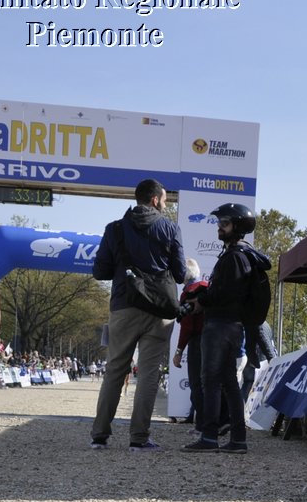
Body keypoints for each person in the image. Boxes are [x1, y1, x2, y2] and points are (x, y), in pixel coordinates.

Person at [89, 177, 186, 450]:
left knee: (114, 370)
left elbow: (99, 271)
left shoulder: (114, 229)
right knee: (149, 373)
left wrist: (123, 268)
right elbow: (179, 273)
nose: (166, 205)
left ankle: (100, 435)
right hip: (158, 311)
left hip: (123, 305)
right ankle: (139, 438)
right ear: (155, 199)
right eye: (165, 200)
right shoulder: (170, 228)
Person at [184, 203, 270, 454]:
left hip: (220, 325)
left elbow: (226, 293)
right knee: (229, 383)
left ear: (238, 226)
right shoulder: (243, 255)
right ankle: (238, 439)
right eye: (219, 223)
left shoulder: (235, 257)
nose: (219, 228)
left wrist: (203, 299)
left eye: (225, 223)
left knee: (210, 382)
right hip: (232, 327)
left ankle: (209, 436)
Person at [173, 258, 207, 429]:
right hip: (213, 339)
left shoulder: (188, 293)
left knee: (195, 383)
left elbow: (187, 327)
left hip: (198, 341)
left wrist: (179, 351)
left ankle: (201, 425)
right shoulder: (207, 287)